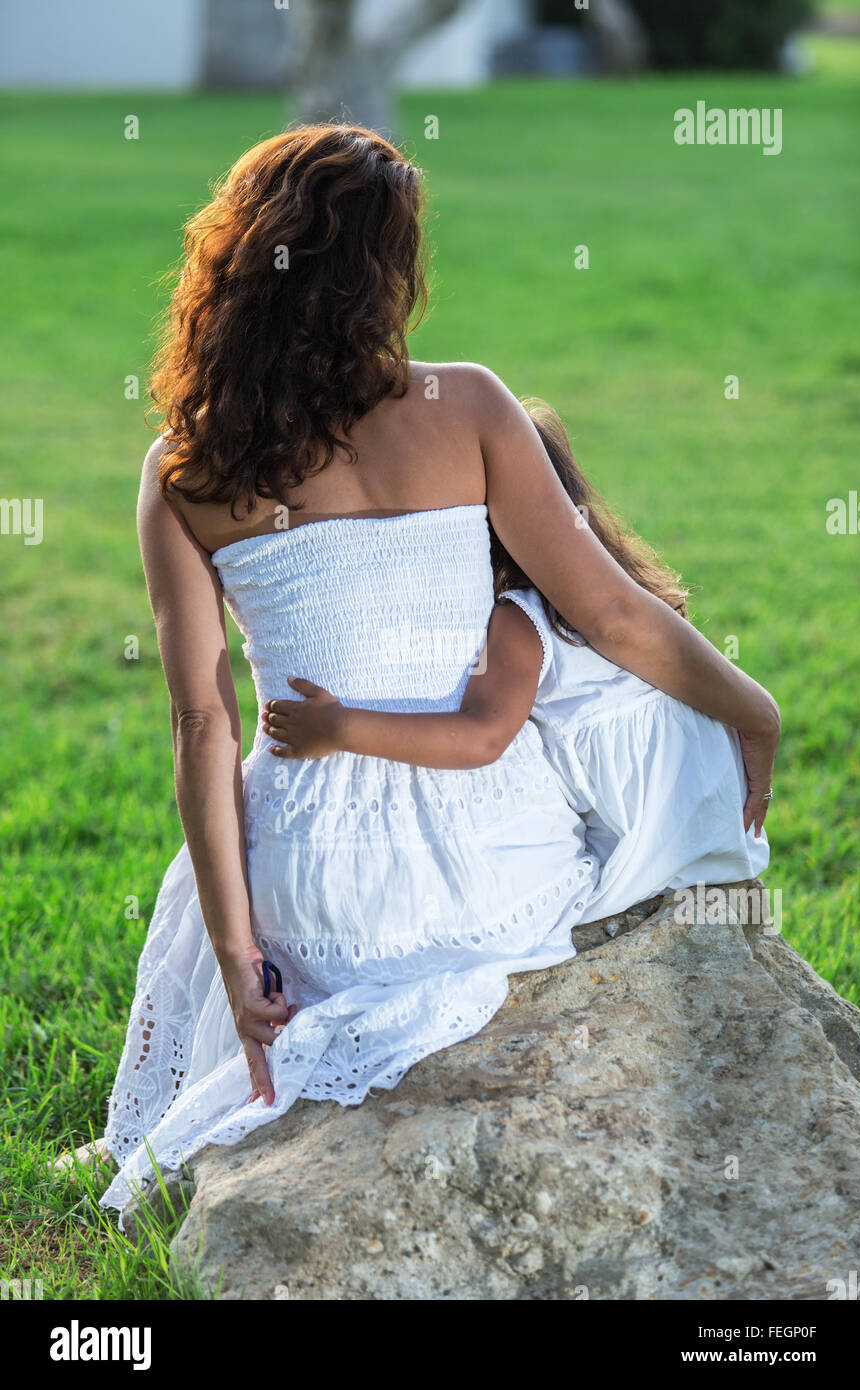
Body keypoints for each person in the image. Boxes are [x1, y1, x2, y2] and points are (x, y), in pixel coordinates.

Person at [86, 125, 778, 1218]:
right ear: (384, 273)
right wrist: (752, 710)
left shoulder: (184, 464)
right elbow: (609, 611)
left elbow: (201, 725)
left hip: (305, 893)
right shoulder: (468, 406)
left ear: (237, 262)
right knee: (613, 721)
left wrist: (237, 950)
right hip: (482, 879)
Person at [261, 397, 769, 929]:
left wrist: (341, 727)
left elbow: (484, 736)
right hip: (716, 812)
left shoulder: (520, 621)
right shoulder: (630, 594)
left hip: (649, 839)